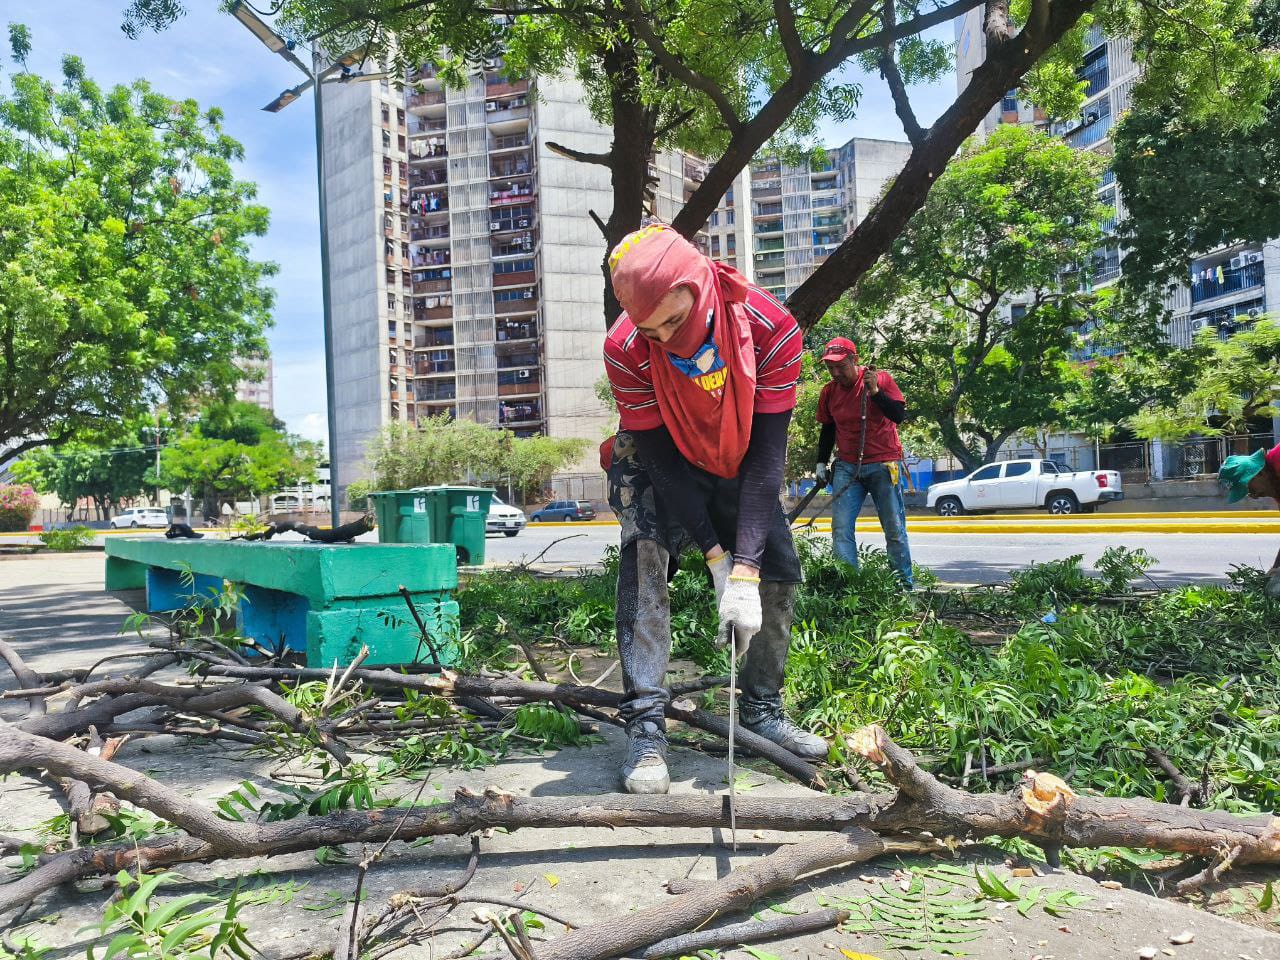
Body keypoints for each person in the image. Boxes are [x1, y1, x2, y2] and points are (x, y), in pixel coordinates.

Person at [600, 223, 829, 794]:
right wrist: (715, 557)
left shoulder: (770, 329)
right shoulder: (626, 349)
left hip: (741, 451)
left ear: (698, 286)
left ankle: (761, 709)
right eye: (651, 330)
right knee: (645, 560)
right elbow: (660, 460)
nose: (666, 339)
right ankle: (646, 725)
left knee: (777, 568)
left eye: (675, 321)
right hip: (658, 459)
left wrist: (745, 570)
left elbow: (768, 457)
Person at [814, 337, 913, 589]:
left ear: (854, 360)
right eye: (831, 368)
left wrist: (876, 393)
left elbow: (898, 415)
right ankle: (850, 587)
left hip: (883, 463)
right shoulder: (829, 392)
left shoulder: (881, 380)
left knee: (894, 529)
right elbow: (828, 429)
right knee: (841, 529)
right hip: (847, 466)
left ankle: (903, 588)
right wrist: (821, 463)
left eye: (840, 367)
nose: (836, 373)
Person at [1219, 441, 1280, 598]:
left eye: (1250, 489)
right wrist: (1275, 569)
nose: (1253, 496)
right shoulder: (1275, 484)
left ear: (1259, 473)